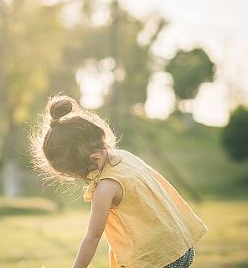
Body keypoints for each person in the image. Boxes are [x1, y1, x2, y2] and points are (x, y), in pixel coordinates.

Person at [29, 94, 208, 268]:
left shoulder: (106, 187)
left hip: (158, 260)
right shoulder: (125, 158)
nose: (77, 178)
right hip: (180, 245)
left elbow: (92, 238)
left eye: (76, 173)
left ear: (95, 159)